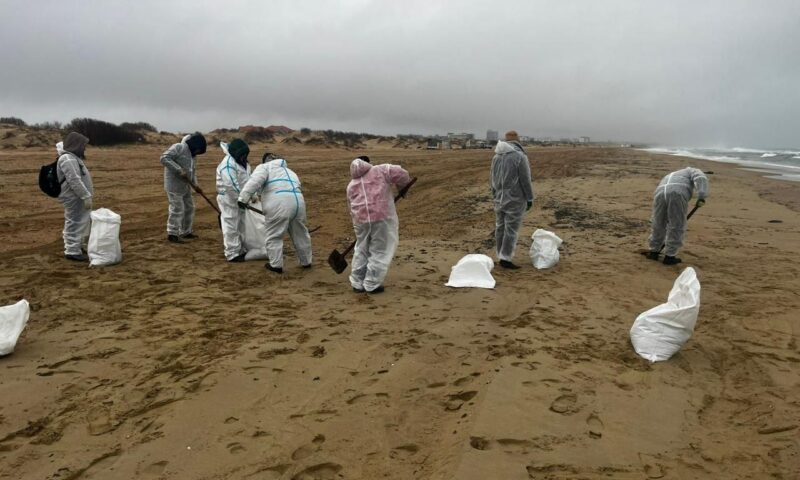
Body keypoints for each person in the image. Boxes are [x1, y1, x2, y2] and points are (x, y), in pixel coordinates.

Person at [346, 155, 412, 293]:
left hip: (360, 220)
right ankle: (372, 284)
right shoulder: (381, 170)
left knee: (361, 249)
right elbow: (402, 174)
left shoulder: (351, 184)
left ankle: (357, 282)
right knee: (380, 249)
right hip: (382, 218)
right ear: (368, 163)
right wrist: (403, 188)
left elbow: (350, 206)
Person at [237, 153, 312, 273]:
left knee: (274, 235)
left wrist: (242, 198)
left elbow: (254, 182)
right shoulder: (291, 172)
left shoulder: (264, 168)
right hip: (299, 203)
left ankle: (276, 266)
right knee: (301, 234)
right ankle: (306, 261)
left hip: (279, 203)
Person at [645, 167, 708, 265]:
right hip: (677, 193)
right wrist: (702, 196)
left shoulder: (671, 174)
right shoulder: (692, 170)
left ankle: (654, 252)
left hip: (660, 193)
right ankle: (670, 256)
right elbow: (700, 177)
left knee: (658, 222)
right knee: (677, 224)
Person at [490, 130, 533, 269]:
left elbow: (492, 179)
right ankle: (506, 258)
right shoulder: (520, 157)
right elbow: (525, 180)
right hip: (515, 198)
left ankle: (501, 254)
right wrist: (529, 198)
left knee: (500, 227)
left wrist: (494, 194)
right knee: (511, 229)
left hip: (499, 198)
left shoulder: (496, 156)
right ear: (517, 140)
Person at [160, 132, 206, 243]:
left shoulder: (192, 156)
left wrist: (196, 186)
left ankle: (186, 231)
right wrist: (179, 170)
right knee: (177, 209)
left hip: (186, 186)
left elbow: (192, 172)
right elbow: (164, 158)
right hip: (174, 186)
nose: (198, 153)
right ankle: (172, 233)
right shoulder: (178, 147)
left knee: (189, 208)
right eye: (198, 150)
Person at [57, 132, 93, 261]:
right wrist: (85, 196)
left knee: (82, 221)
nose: (84, 148)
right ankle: (72, 250)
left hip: (77, 197)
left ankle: (78, 246)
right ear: (76, 145)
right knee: (74, 221)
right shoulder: (67, 159)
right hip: (73, 197)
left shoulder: (73, 157)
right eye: (83, 145)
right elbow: (74, 180)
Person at [215, 139, 250, 262]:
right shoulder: (228, 164)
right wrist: (240, 199)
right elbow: (231, 185)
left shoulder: (242, 162)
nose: (245, 157)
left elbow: (247, 180)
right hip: (229, 198)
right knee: (231, 224)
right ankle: (232, 253)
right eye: (243, 155)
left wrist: (250, 195)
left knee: (241, 224)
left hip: (241, 198)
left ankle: (241, 249)